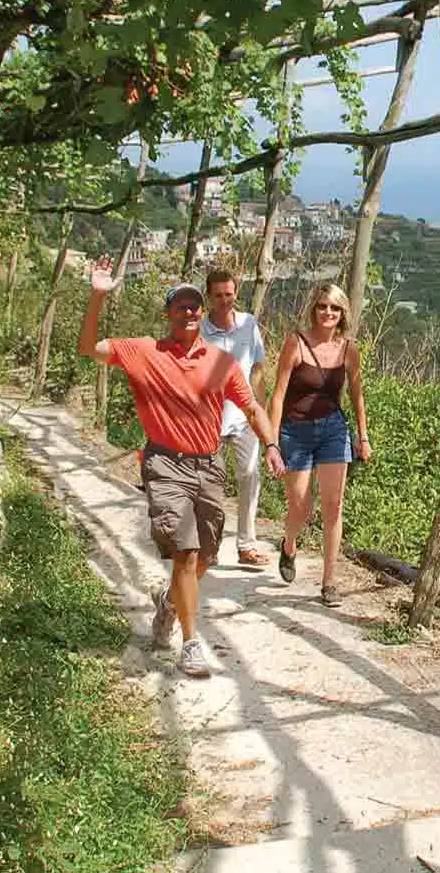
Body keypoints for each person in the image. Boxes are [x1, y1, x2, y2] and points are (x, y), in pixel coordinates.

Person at [79, 260, 285, 677]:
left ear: (202, 311)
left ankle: (170, 601)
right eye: (181, 306)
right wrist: (98, 295)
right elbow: (88, 347)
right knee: (186, 552)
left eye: (195, 306)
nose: (189, 312)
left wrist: (271, 444)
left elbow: (252, 408)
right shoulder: (144, 351)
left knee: (207, 554)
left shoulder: (221, 361)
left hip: (209, 466)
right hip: (165, 464)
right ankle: (192, 643)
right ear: (168, 313)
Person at [268, 283, 372, 607]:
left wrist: (363, 437)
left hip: (333, 431)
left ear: (343, 314)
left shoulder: (348, 350)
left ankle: (329, 581)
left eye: (335, 308)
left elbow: (357, 396)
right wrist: (271, 444)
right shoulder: (295, 344)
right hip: (295, 432)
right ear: (314, 309)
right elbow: (278, 395)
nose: (328, 313)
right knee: (301, 506)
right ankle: (289, 545)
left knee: (334, 506)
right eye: (323, 306)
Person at [199, 268, 270, 570]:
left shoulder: (248, 324)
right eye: (218, 295)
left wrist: (257, 405)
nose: (225, 300)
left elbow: (259, 365)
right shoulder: (199, 330)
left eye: (229, 294)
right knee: (209, 485)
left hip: (243, 418)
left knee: (250, 477)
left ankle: (246, 545)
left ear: (235, 293)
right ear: (209, 296)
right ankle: (208, 545)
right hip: (209, 421)